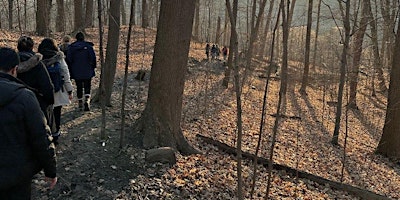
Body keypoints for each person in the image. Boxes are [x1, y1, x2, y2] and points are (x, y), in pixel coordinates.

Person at [0, 47, 57, 199]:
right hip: (17, 175)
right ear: (14, 69)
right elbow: (41, 137)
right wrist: (50, 170)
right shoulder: (25, 97)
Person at [16, 36, 56, 135]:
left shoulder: (10, 64)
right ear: (32, 47)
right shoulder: (38, 64)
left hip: (15, 104)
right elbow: (47, 87)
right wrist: (50, 101)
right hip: (37, 103)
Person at [38, 38, 74, 143]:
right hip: (57, 91)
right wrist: (70, 90)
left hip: (42, 92)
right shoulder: (59, 58)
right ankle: (56, 134)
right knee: (56, 113)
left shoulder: (37, 58)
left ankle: (46, 134)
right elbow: (65, 74)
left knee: (44, 113)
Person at [67, 32, 96, 111]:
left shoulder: (72, 47)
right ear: (83, 38)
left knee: (79, 86)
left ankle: (80, 102)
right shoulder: (89, 46)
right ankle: (87, 100)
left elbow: (69, 59)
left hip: (76, 70)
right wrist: (93, 67)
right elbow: (93, 58)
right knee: (88, 85)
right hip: (87, 70)